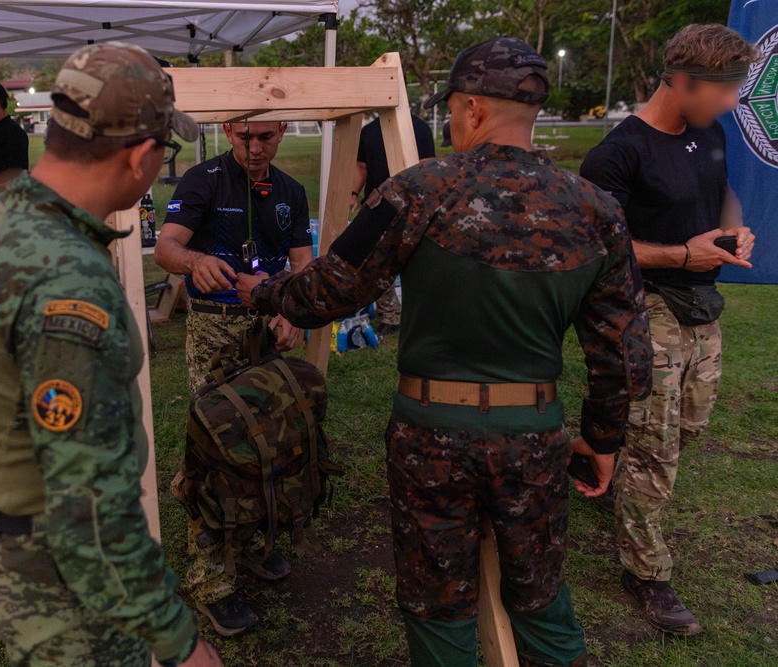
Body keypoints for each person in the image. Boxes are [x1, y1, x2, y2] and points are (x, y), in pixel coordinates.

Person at [237, 37, 652, 667]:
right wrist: (602, 438)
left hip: (431, 434)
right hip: (534, 433)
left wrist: (264, 293)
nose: (452, 123)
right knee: (540, 594)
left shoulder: (418, 190)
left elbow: (331, 290)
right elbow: (624, 353)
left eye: (453, 110)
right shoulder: (596, 209)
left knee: (437, 603)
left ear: (475, 109)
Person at [0, 42, 222, 667]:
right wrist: (179, 641)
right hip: (61, 584)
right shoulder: (65, 279)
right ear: (144, 154)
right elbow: (88, 512)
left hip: (9, 541)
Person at [579, 23, 758, 636]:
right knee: (655, 450)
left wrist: (734, 231)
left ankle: (604, 464)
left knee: (686, 429)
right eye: (725, 90)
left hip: (702, 308)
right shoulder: (616, 153)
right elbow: (599, 245)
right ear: (682, 81)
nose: (733, 103)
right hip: (644, 309)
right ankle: (647, 573)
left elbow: (722, 195)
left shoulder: (709, 135)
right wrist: (683, 255)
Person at [153, 121, 312, 635]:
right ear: (228, 129)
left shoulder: (290, 191)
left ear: (283, 130)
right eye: (246, 137)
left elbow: (303, 266)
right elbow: (166, 247)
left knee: (272, 444)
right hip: (215, 331)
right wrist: (195, 262)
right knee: (218, 451)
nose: (257, 146)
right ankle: (210, 580)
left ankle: (250, 546)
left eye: (267, 136)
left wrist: (292, 311)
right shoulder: (203, 180)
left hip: (268, 331)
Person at [351, 113, 436, 336]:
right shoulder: (368, 132)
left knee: (416, 262)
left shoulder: (420, 129)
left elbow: (428, 168)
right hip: (375, 206)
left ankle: (419, 314)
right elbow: (361, 167)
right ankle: (390, 315)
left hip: (413, 207)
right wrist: (353, 193)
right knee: (374, 262)